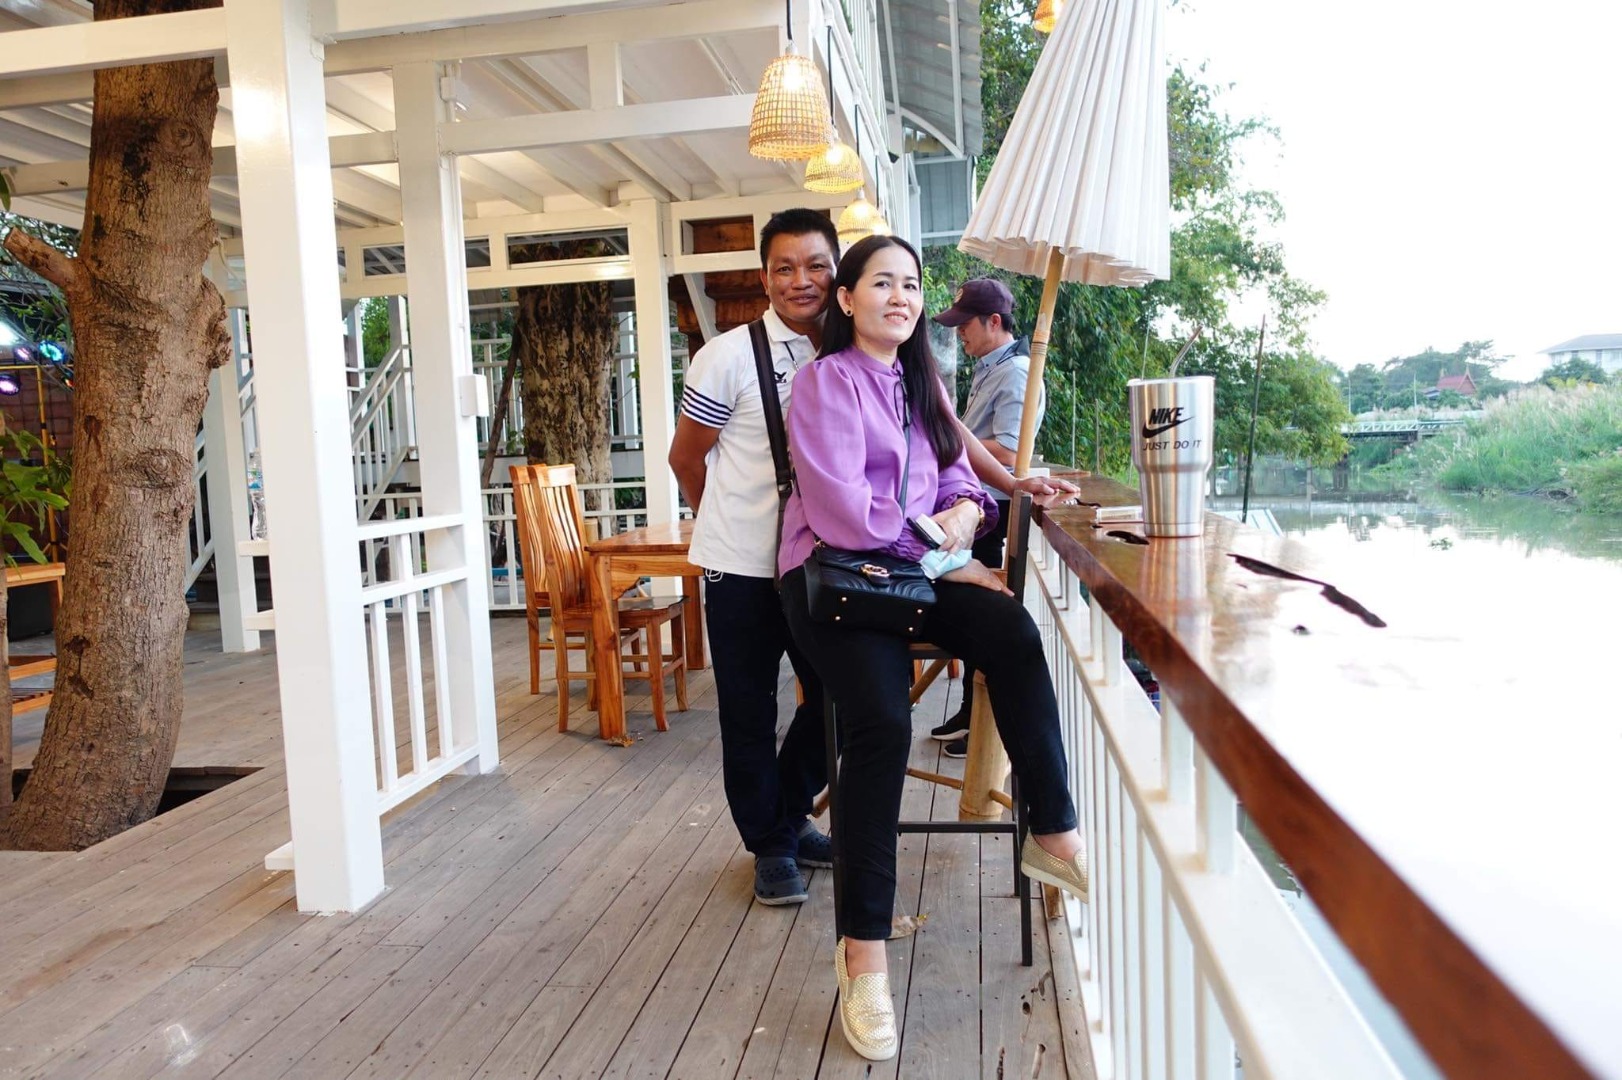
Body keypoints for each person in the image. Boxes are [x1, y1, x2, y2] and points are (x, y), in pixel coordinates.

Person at [777, 235, 1089, 1061]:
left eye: (911, 285)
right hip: (838, 581)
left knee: (1012, 632)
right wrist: (947, 550)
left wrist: (976, 509)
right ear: (847, 298)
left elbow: (958, 475)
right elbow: (844, 515)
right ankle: (863, 957)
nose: (901, 297)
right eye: (882, 283)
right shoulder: (824, 382)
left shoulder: (922, 381)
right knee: (882, 725)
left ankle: (1053, 832)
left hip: (910, 571)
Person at [668, 208, 838, 907]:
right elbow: (686, 459)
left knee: (837, 693)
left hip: (819, 566)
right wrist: (730, 523)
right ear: (764, 278)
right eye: (784, 268)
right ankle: (770, 845)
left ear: (837, 270)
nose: (801, 280)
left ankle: (788, 814)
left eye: (816, 265)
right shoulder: (727, 355)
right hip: (740, 568)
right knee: (747, 709)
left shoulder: (849, 350)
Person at [929, 278, 1043, 757]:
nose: (959, 333)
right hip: (973, 506)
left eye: (965, 324)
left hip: (991, 511)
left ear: (994, 322)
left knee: (983, 622)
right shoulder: (990, 367)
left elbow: (1012, 450)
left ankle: (979, 723)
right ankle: (969, 714)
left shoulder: (1016, 372)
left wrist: (945, 442)